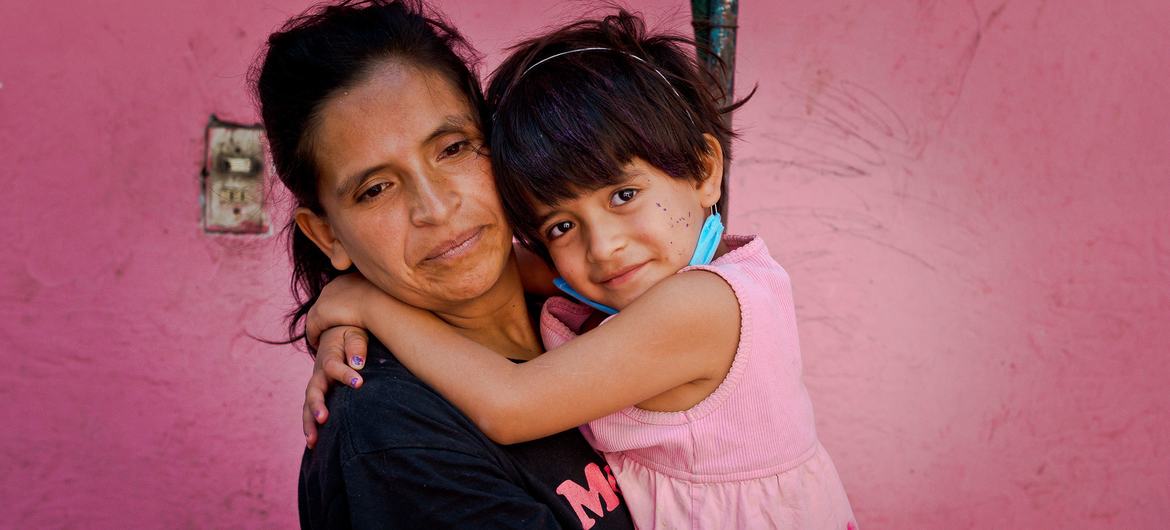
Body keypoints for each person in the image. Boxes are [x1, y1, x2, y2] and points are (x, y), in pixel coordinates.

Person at [304, 11, 858, 530]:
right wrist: (352, 311)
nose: (604, 247)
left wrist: (368, 302)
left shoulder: (703, 305)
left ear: (706, 172)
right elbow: (509, 264)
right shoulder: (390, 437)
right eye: (561, 226)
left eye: (623, 194)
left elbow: (511, 403)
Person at [253, 1, 635, 527]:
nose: (435, 208)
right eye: (376, 189)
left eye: (453, 148)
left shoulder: (597, 296)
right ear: (327, 235)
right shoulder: (393, 437)